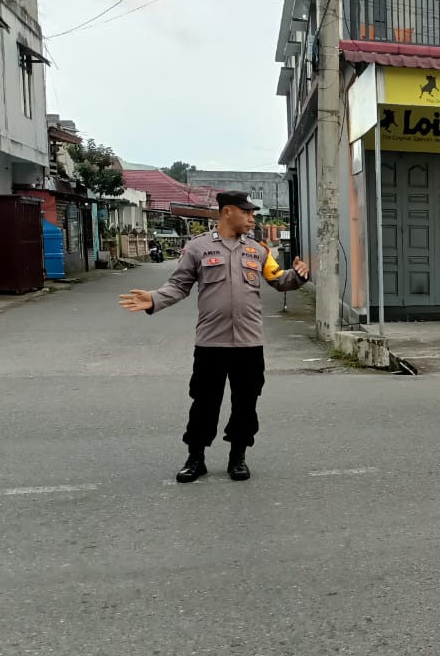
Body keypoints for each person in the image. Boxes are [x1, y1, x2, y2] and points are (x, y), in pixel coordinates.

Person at [119, 191, 310, 483]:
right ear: (228, 212)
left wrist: (298, 275)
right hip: (211, 343)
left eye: (253, 213)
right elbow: (179, 285)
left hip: (249, 343)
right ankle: (195, 458)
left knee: (246, 403)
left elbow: (278, 280)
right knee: (204, 403)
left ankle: (238, 457)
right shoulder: (198, 247)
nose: (252, 218)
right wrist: (155, 298)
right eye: (247, 213)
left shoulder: (258, 250)